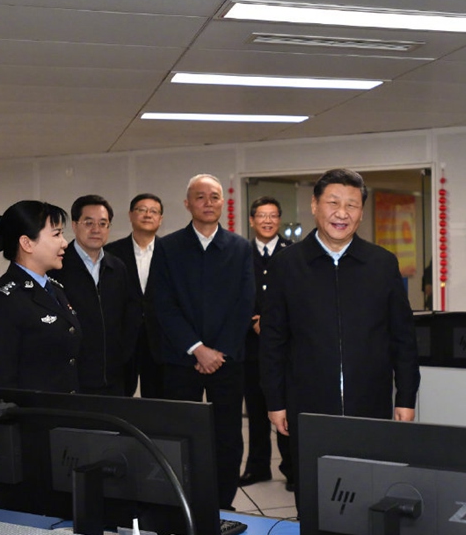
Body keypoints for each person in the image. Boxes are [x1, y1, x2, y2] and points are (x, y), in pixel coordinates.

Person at [259, 168, 420, 498]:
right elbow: (273, 339)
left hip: (370, 403)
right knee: (313, 492)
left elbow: (403, 337)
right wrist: (275, 401)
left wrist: (406, 396)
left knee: (369, 491)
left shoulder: (382, 264)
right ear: (314, 205)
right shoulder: (287, 264)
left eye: (352, 205)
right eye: (333, 203)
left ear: (361, 212)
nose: (342, 213)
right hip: (308, 404)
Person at [148, 174, 255, 509]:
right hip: (181, 359)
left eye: (215, 196)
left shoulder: (240, 247)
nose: (208, 203)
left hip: (227, 359)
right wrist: (196, 348)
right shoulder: (168, 247)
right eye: (200, 197)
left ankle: (223, 502)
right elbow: (162, 304)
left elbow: (245, 303)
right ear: (187, 203)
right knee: (181, 433)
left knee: (227, 435)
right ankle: (184, 501)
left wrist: (218, 351)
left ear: (223, 202)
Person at [0, 200, 82, 393]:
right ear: (27, 243)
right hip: (34, 411)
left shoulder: (55, 289)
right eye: (56, 234)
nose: (64, 243)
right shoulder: (1, 301)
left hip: (65, 408)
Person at [49, 195, 133, 396]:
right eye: (89, 223)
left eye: (103, 223)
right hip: (71, 379)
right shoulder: (56, 267)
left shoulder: (117, 267)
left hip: (113, 378)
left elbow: (127, 318)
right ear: (75, 225)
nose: (96, 229)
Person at [238, 196, 294, 491]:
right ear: (252, 220)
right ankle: (258, 466)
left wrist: (271, 323)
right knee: (256, 409)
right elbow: (234, 294)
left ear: (279, 220)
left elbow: (299, 297)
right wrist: (252, 321)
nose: (267, 221)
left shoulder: (293, 253)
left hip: (285, 347)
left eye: (273, 215)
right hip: (250, 345)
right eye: (262, 215)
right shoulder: (240, 253)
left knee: (285, 407)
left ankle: (292, 469)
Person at [105, 194, 166, 399]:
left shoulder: (170, 252)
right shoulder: (110, 253)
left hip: (160, 339)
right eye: (142, 210)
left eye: (154, 211)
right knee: (120, 399)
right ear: (131, 215)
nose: (148, 215)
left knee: (158, 401)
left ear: (160, 219)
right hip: (121, 338)